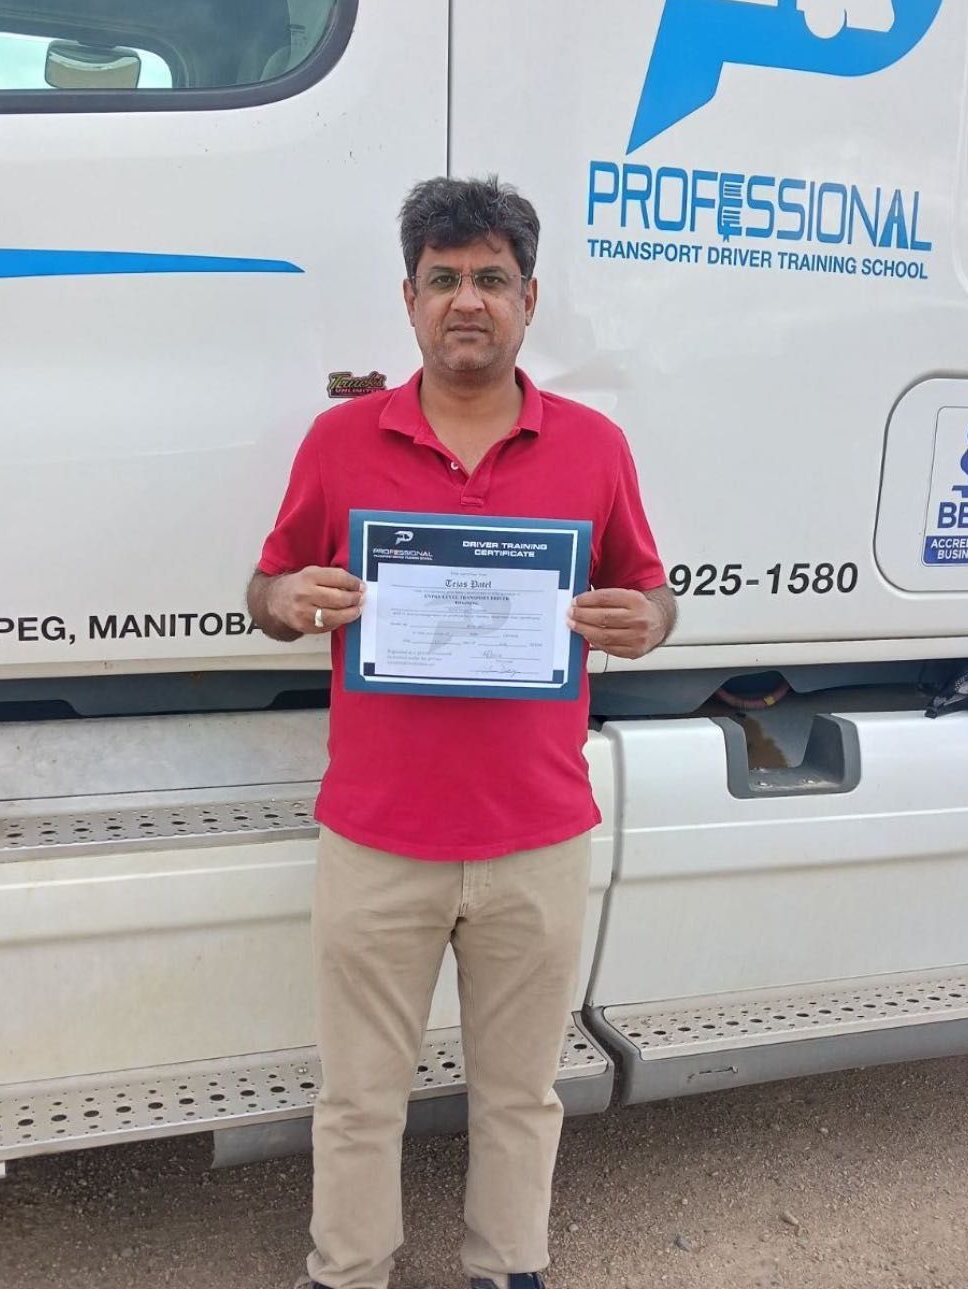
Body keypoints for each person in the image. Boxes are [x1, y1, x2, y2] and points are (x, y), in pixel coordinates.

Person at [247, 175, 675, 1289]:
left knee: (521, 1089)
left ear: (530, 299)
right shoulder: (342, 440)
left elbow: (651, 591)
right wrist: (288, 599)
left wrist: (648, 622)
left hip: (536, 836)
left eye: (491, 278)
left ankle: (507, 1267)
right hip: (377, 837)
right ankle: (348, 1269)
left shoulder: (593, 446)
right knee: (357, 1095)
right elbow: (267, 580)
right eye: (444, 279)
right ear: (409, 299)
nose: (467, 300)